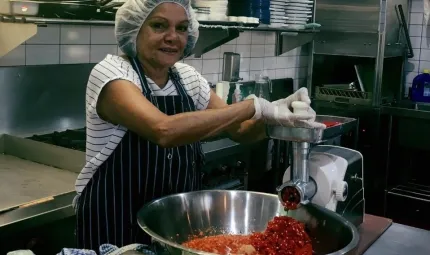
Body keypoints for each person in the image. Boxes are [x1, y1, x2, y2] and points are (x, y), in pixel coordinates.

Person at [74, 0, 325, 250]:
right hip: (116, 220)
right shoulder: (112, 73)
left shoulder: (187, 77)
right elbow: (163, 130)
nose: (173, 37)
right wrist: (254, 106)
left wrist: (279, 120)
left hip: (172, 224)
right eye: (159, 25)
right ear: (134, 29)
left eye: (182, 28)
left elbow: (239, 130)